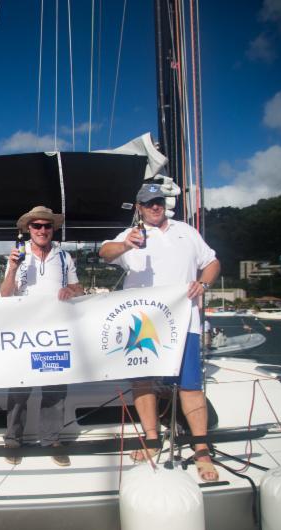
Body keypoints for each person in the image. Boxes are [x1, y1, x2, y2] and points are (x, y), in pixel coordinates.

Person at [99, 183, 220, 482]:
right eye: (149, 203)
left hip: (185, 321)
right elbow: (105, 252)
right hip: (143, 323)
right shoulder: (132, 236)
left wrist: (203, 284)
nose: (155, 207)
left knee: (191, 386)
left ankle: (201, 449)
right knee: (143, 383)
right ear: (138, 207)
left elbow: (212, 262)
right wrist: (127, 245)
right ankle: (152, 440)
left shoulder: (186, 232)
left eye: (159, 202)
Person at [0, 206, 84, 467]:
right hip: (24, 333)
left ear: (53, 229)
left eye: (47, 226)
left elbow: (79, 289)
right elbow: (5, 295)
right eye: (36, 226)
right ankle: (13, 440)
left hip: (55, 333)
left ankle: (51, 440)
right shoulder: (17, 256)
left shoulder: (64, 257)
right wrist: (12, 268)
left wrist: (71, 291)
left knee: (55, 389)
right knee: (19, 390)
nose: (42, 230)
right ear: (28, 230)